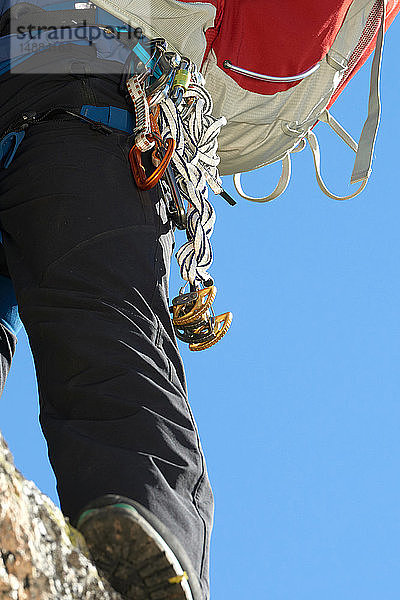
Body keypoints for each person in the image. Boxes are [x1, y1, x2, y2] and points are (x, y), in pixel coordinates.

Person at [0, 2, 214, 599]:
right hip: (76, 101)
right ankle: (148, 524)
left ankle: (152, 527)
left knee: (104, 323)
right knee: (102, 324)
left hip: (74, 94)